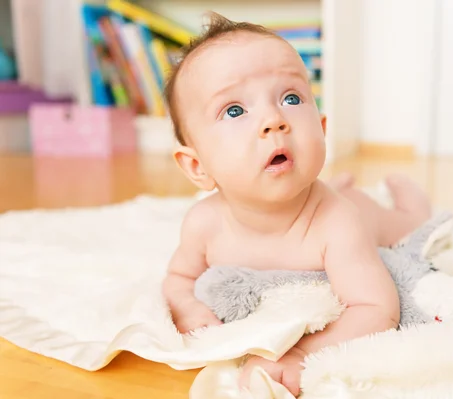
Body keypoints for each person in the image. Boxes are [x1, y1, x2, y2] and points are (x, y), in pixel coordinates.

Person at [161, 12, 432, 396]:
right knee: (342, 191)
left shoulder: (338, 222)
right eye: (235, 110)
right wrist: (187, 308)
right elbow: (178, 279)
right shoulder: (203, 223)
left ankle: (410, 199)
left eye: (291, 98)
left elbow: (377, 309)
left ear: (321, 130)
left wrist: (301, 354)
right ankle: (344, 183)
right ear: (197, 165)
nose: (274, 120)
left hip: (362, 213)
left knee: (405, 226)